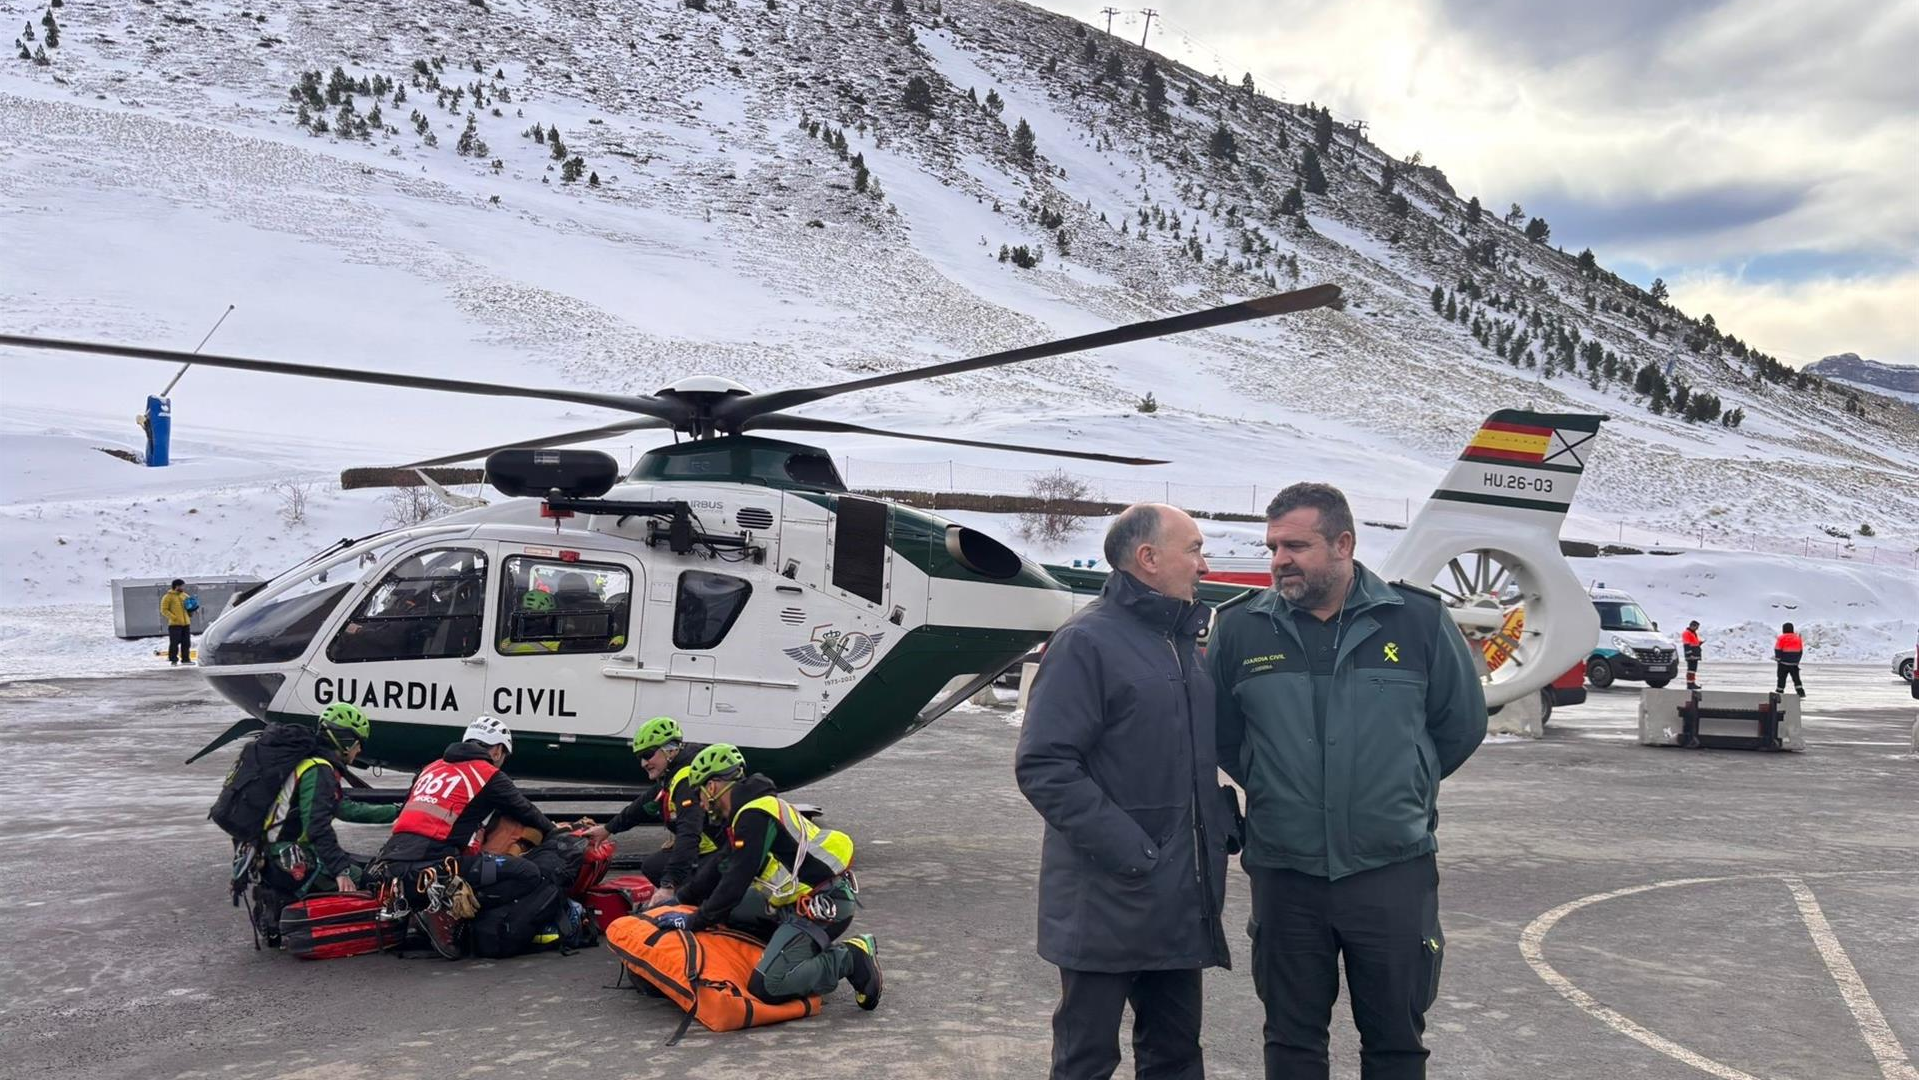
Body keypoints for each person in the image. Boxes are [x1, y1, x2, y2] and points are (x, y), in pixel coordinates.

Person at [1210, 483, 1487, 1080]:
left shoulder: (1416, 620)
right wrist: (1273, 782)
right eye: (1273, 546)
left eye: (1296, 545)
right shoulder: (1240, 630)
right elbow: (1223, 735)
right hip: (1286, 872)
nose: (1279, 559)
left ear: (1343, 544)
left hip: (1390, 869)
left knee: (1396, 1043)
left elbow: (1459, 726)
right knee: (1290, 1042)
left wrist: (1397, 787)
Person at [1016, 502, 1232, 1080]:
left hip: (1176, 899)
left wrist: (1218, 820)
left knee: (1176, 1057)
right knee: (1087, 1061)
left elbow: (1180, 760)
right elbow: (1045, 764)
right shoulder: (1086, 641)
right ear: (1148, 558)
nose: (1204, 565)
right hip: (1107, 897)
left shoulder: (1180, 641)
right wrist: (1133, 852)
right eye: (1194, 549)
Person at [669, 743, 883, 1010]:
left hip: (823, 906)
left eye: (699, 793)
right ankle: (785, 951)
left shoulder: (755, 816)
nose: (700, 803)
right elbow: (719, 866)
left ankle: (851, 957)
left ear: (711, 787)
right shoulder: (748, 814)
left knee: (768, 985)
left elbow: (735, 883)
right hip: (790, 902)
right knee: (720, 910)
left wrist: (694, 921)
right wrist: (680, 899)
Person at [372, 717, 561, 954]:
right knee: (527, 873)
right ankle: (449, 913)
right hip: (438, 868)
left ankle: (425, 911)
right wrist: (556, 831)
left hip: (393, 869)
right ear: (498, 749)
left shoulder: (430, 768)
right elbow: (525, 810)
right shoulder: (487, 773)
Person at [262, 703, 400, 897]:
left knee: (355, 864)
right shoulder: (319, 770)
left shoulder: (308, 760)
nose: (359, 749)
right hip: (288, 853)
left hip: (269, 851)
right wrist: (340, 871)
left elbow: (343, 808)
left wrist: (397, 812)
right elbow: (317, 828)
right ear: (345, 741)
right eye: (358, 742)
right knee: (376, 884)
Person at [579, 716, 720, 905]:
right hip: (708, 850)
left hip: (721, 852)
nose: (643, 763)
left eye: (648, 755)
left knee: (660, 870)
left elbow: (689, 835)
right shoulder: (672, 775)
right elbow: (643, 806)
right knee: (654, 865)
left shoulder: (686, 781)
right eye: (639, 757)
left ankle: (702, 909)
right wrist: (607, 829)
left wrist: (668, 886)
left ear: (670, 750)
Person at [162, 579, 193, 664]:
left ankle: (186, 659)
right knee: (174, 643)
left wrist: (191, 611)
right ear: (177, 586)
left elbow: (189, 607)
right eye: (182, 586)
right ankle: (173, 659)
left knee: (186, 643)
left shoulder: (185, 596)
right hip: (174, 624)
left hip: (186, 623)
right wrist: (173, 617)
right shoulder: (168, 597)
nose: (183, 587)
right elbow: (164, 610)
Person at [1774, 622, 1805, 696]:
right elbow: (1800, 651)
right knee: (1796, 679)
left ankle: (1779, 692)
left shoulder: (1781, 638)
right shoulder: (1798, 638)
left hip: (1783, 663)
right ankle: (1800, 692)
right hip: (1794, 663)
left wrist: (1778, 658)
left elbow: (1777, 649)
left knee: (1781, 678)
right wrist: (1797, 661)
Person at [1682, 621, 1704, 690]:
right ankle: (1690, 683)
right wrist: (1689, 654)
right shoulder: (1687, 633)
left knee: (1693, 670)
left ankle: (1692, 682)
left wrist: (1699, 643)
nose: (1697, 629)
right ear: (1692, 626)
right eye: (1696, 627)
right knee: (1690, 670)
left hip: (1695, 654)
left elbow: (1693, 642)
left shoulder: (1693, 633)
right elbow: (1686, 644)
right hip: (1691, 655)